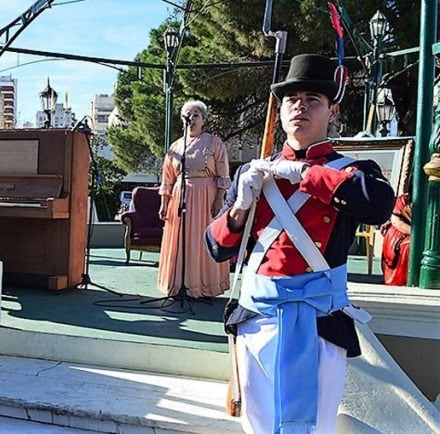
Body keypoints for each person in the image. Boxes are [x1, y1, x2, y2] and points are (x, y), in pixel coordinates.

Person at [205, 54, 395, 433]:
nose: (300, 107)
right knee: (257, 424)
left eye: (313, 99)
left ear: (333, 111)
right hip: (257, 317)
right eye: (292, 100)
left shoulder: (353, 172)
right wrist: (241, 207)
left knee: (314, 426)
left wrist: (306, 174)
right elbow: (217, 246)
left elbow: (377, 204)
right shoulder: (252, 172)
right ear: (281, 111)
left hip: (319, 323)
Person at [157, 100, 230, 299]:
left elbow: (223, 175)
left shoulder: (214, 142)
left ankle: (204, 287)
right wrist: (164, 203)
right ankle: (179, 285)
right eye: (187, 115)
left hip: (206, 196)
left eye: (196, 115)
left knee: (202, 240)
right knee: (180, 241)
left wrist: (218, 200)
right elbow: (168, 176)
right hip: (180, 197)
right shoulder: (176, 145)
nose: (191, 119)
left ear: (204, 120)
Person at [381, 191, 411, 286]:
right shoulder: (403, 200)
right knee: (409, 245)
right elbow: (396, 222)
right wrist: (418, 234)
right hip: (402, 232)